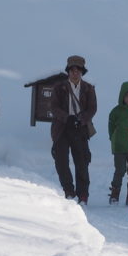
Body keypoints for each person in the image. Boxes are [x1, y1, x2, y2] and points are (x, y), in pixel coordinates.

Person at [51, 55, 97, 204]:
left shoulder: (88, 88)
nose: (75, 73)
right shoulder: (59, 87)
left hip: (80, 129)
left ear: (82, 72)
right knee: (61, 161)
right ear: (68, 71)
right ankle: (69, 191)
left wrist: (81, 120)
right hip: (62, 128)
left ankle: (83, 194)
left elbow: (92, 108)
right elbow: (54, 107)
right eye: (72, 70)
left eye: (78, 70)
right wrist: (67, 118)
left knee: (82, 162)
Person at [107, 81, 128, 204]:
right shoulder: (116, 112)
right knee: (120, 170)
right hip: (119, 147)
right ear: (122, 96)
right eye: (127, 96)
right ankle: (115, 193)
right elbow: (111, 128)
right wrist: (113, 138)